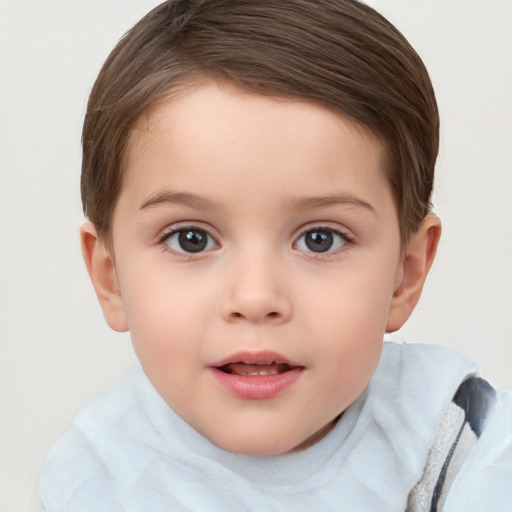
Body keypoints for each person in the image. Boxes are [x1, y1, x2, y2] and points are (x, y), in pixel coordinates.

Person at [38, 0, 512, 510]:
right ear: (111, 279)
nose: (256, 297)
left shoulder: (460, 445)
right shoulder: (93, 482)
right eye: (191, 238)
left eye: (320, 239)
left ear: (406, 274)